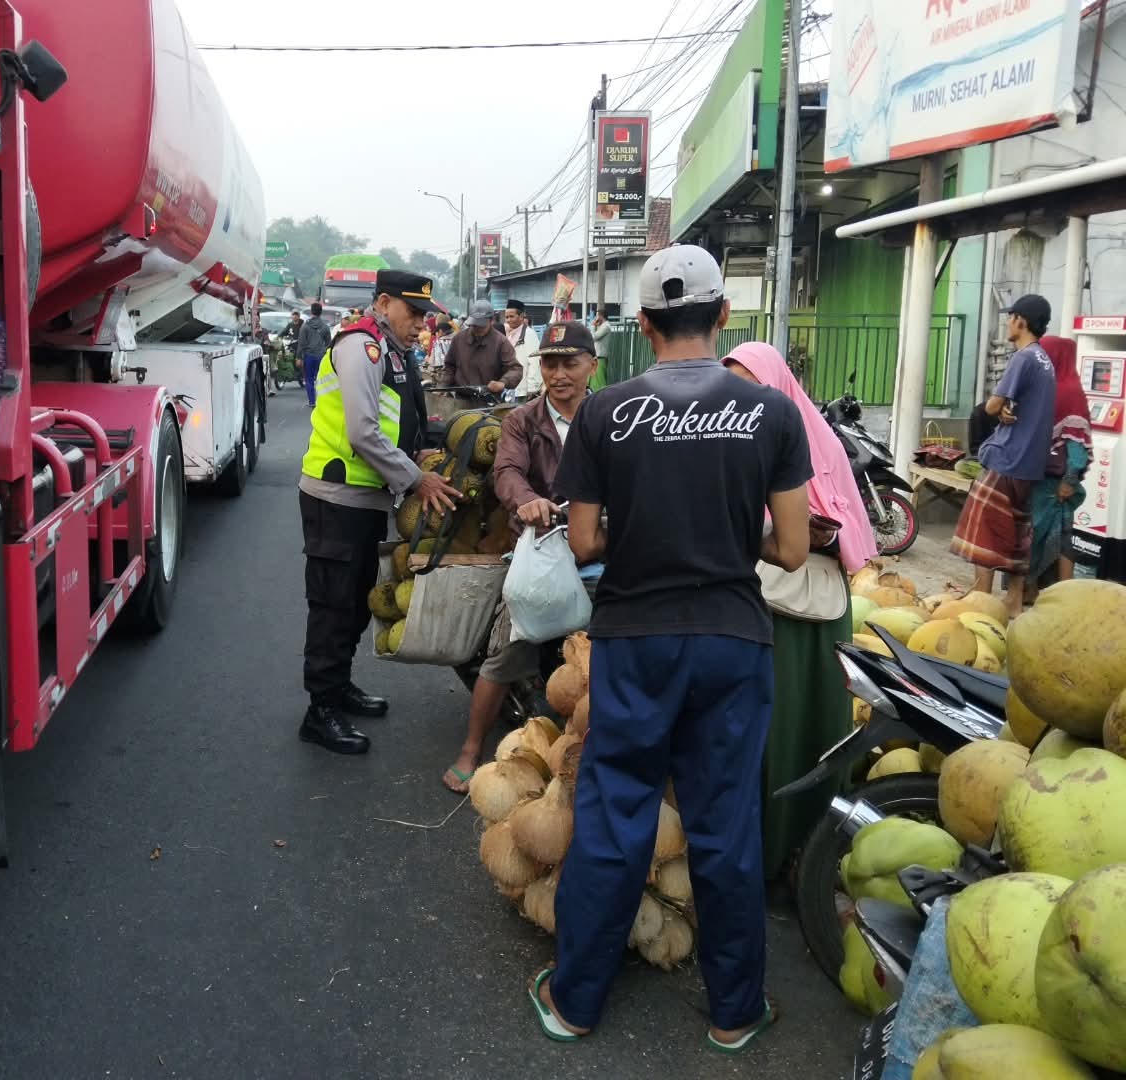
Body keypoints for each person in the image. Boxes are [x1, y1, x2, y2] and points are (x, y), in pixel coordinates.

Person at [530, 245, 811, 1051]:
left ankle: (575, 1001)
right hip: (731, 640)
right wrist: (726, 534)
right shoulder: (773, 414)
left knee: (617, 816)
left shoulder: (604, 410)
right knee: (725, 823)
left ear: (644, 323)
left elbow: (583, 540)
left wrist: (647, 532)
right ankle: (734, 1011)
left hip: (633, 641)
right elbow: (791, 550)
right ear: (724, 316)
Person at [724, 342, 877, 880]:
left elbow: (851, 526)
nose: (742, 400)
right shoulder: (736, 440)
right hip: (764, 604)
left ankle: (809, 855)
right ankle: (764, 855)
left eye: (751, 386)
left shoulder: (817, 441)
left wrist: (817, 532)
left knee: (814, 725)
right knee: (768, 735)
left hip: (809, 604)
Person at [298, 271, 461, 754]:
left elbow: (397, 422)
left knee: (354, 601)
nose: (420, 323)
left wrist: (421, 456)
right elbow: (363, 432)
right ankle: (319, 709)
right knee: (332, 606)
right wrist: (417, 478)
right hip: (336, 496)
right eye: (413, 313)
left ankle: (339, 685)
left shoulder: (391, 350)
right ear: (384, 302)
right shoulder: (360, 347)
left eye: (425, 315)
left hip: (365, 496)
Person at [442, 320, 599, 793]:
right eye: (550, 363)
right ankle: (471, 749)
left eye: (570, 363)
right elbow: (506, 471)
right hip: (538, 548)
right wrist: (527, 501)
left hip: (597, 551)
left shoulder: (610, 418)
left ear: (592, 366)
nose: (559, 374)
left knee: (612, 658)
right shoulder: (522, 420)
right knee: (507, 651)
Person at [950, 294, 1058, 618]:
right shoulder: (1045, 361)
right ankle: (1013, 601)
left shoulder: (1023, 358)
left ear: (1021, 321)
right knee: (1017, 534)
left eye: (1010, 317)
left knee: (985, 534)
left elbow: (994, 406)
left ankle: (981, 606)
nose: (1008, 322)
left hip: (1007, 458)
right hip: (1029, 465)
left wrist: (993, 412)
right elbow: (1022, 407)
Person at [1027, 335, 1092, 594]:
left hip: (1055, 482)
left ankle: (1062, 593)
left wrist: (1070, 480)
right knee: (1039, 535)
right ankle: (1032, 589)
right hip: (1037, 478)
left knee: (1053, 536)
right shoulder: (1047, 388)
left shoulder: (1068, 392)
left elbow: (1077, 444)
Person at [442, 300, 522, 394]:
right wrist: (443, 386)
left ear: (491, 321)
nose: (477, 329)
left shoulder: (501, 342)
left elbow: (515, 369)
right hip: (462, 398)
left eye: (481, 326)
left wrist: (502, 383)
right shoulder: (459, 339)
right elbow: (449, 367)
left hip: (489, 400)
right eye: (474, 325)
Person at [504, 298, 543, 398]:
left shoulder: (529, 334)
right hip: (511, 390)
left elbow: (534, 362)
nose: (508, 320)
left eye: (511, 316)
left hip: (524, 390)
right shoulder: (509, 335)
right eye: (507, 317)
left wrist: (532, 389)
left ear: (521, 316)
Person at [296, 303, 333, 407]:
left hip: (309, 356)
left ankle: (312, 401)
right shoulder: (325, 327)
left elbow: (301, 343)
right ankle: (322, 401)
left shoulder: (305, 326)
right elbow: (329, 343)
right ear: (321, 312)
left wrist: (299, 357)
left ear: (311, 312)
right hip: (321, 356)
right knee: (322, 380)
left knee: (309, 379)